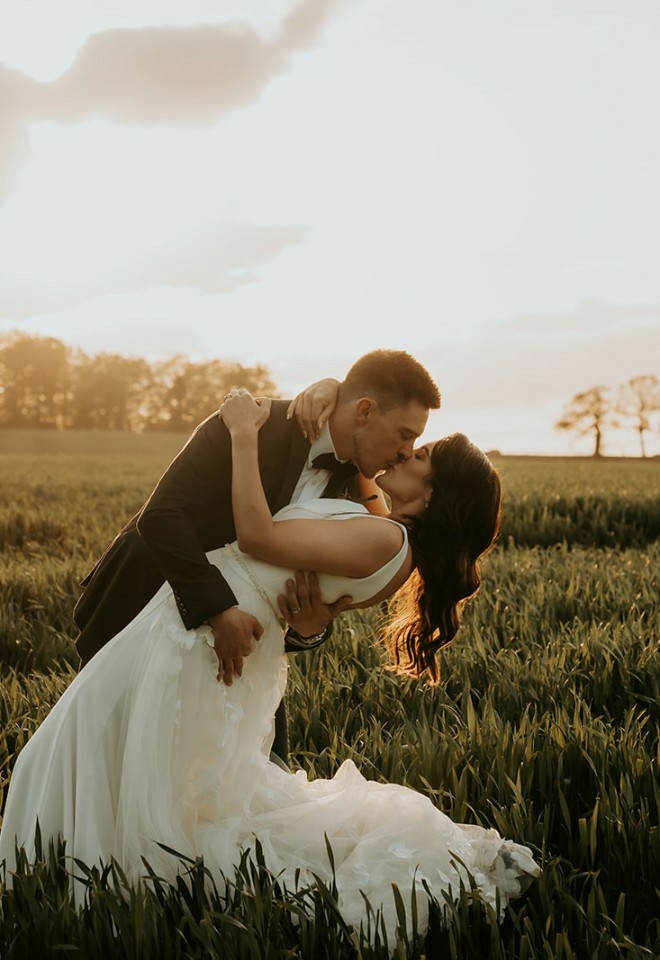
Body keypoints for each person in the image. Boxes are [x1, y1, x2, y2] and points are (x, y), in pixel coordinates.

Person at [0, 390, 539, 942]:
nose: (407, 453)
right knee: (145, 763)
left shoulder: (385, 537)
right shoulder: (390, 529)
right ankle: (98, 872)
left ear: (436, 494)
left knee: (109, 750)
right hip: (207, 632)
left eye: (420, 455)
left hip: (211, 639)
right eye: (408, 440)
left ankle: (106, 885)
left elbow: (259, 536)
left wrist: (240, 434)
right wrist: (331, 388)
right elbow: (360, 474)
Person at [72, 349, 441, 763]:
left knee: (233, 792)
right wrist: (219, 610)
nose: (408, 451)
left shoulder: (355, 486)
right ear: (367, 411)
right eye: (405, 434)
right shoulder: (250, 423)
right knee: (97, 761)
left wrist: (310, 629)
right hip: (142, 606)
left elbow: (298, 591)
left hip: (234, 665)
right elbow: (161, 518)